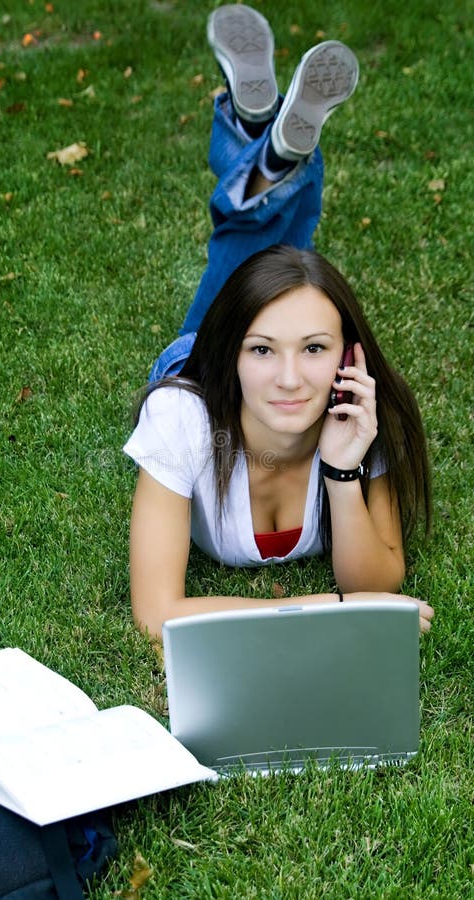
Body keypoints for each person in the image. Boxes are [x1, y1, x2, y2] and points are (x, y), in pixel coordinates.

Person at [124, 5, 433, 639]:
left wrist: (345, 469)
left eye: (315, 348)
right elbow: (156, 615)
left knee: (279, 264)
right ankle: (265, 144)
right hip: (195, 369)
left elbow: (376, 582)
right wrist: (324, 610)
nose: (291, 379)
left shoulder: (362, 419)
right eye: (264, 350)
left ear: (348, 358)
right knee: (259, 268)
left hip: (239, 360)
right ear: (237, 353)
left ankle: (251, 131)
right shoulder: (180, 420)